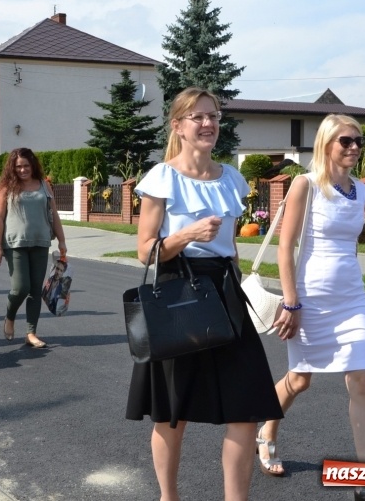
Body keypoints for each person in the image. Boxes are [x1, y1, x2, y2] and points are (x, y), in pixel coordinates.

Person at [125, 87, 283, 501]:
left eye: (213, 116)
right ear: (177, 126)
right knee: (173, 414)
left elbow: (230, 246)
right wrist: (186, 235)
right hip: (179, 290)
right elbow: (145, 251)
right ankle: (169, 497)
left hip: (226, 293)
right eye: (197, 117)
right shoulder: (161, 178)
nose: (208, 123)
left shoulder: (232, 177)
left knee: (247, 408)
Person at [256, 114, 365, 501]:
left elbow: (350, 245)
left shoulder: (362, 191)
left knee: (362, 383)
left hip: (352, 300)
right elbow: (285, 248)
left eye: (358, 141)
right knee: (300, 380)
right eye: (346, 140)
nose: (354, 147)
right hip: (309, 301)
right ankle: (267, 431)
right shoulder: (306, 185)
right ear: (326, 143)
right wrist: (291, 301)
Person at [0, 147, 67, 349]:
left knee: (35, 290)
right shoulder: (6, 187)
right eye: (18, 167)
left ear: (32, 165)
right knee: (20, 288)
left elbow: (54, 214)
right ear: (12, 168)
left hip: (40, 242)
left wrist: (62, 241)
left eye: (26, 165)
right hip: (14, 244)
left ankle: (31, 333)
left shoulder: (43, 185)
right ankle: (10, 316)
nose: (23, 170)